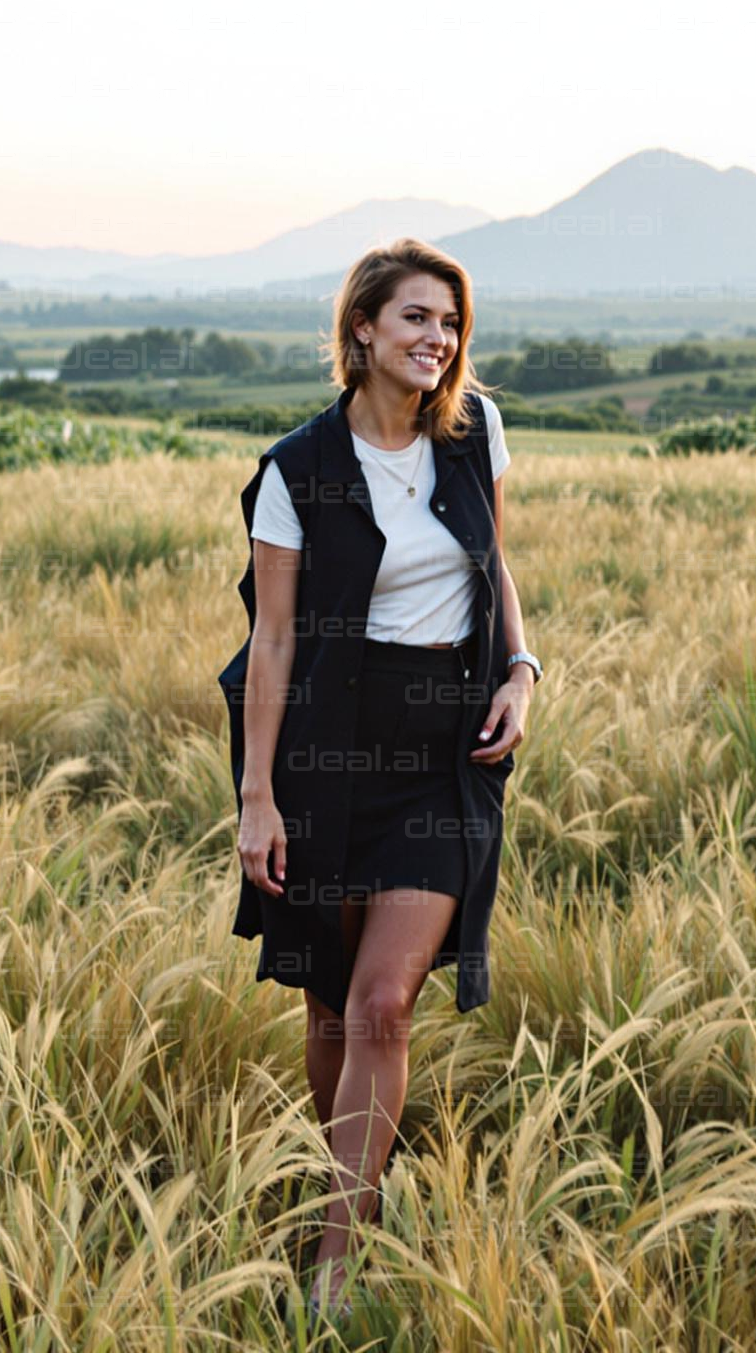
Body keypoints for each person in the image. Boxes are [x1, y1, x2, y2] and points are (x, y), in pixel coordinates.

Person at [217, 237, 542, 1320]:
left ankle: (334, 1266)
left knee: (382, 1003)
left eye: (448, 323)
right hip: (326, 751)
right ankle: (354, 1188)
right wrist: (259, 799)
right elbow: (270, 644)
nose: (435, 341)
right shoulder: (293, 470)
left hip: (445, 755)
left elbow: (492, 565)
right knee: (327, 1003)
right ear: (361, 330)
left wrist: (522, 670)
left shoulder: (473, 431)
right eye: (414, 319)